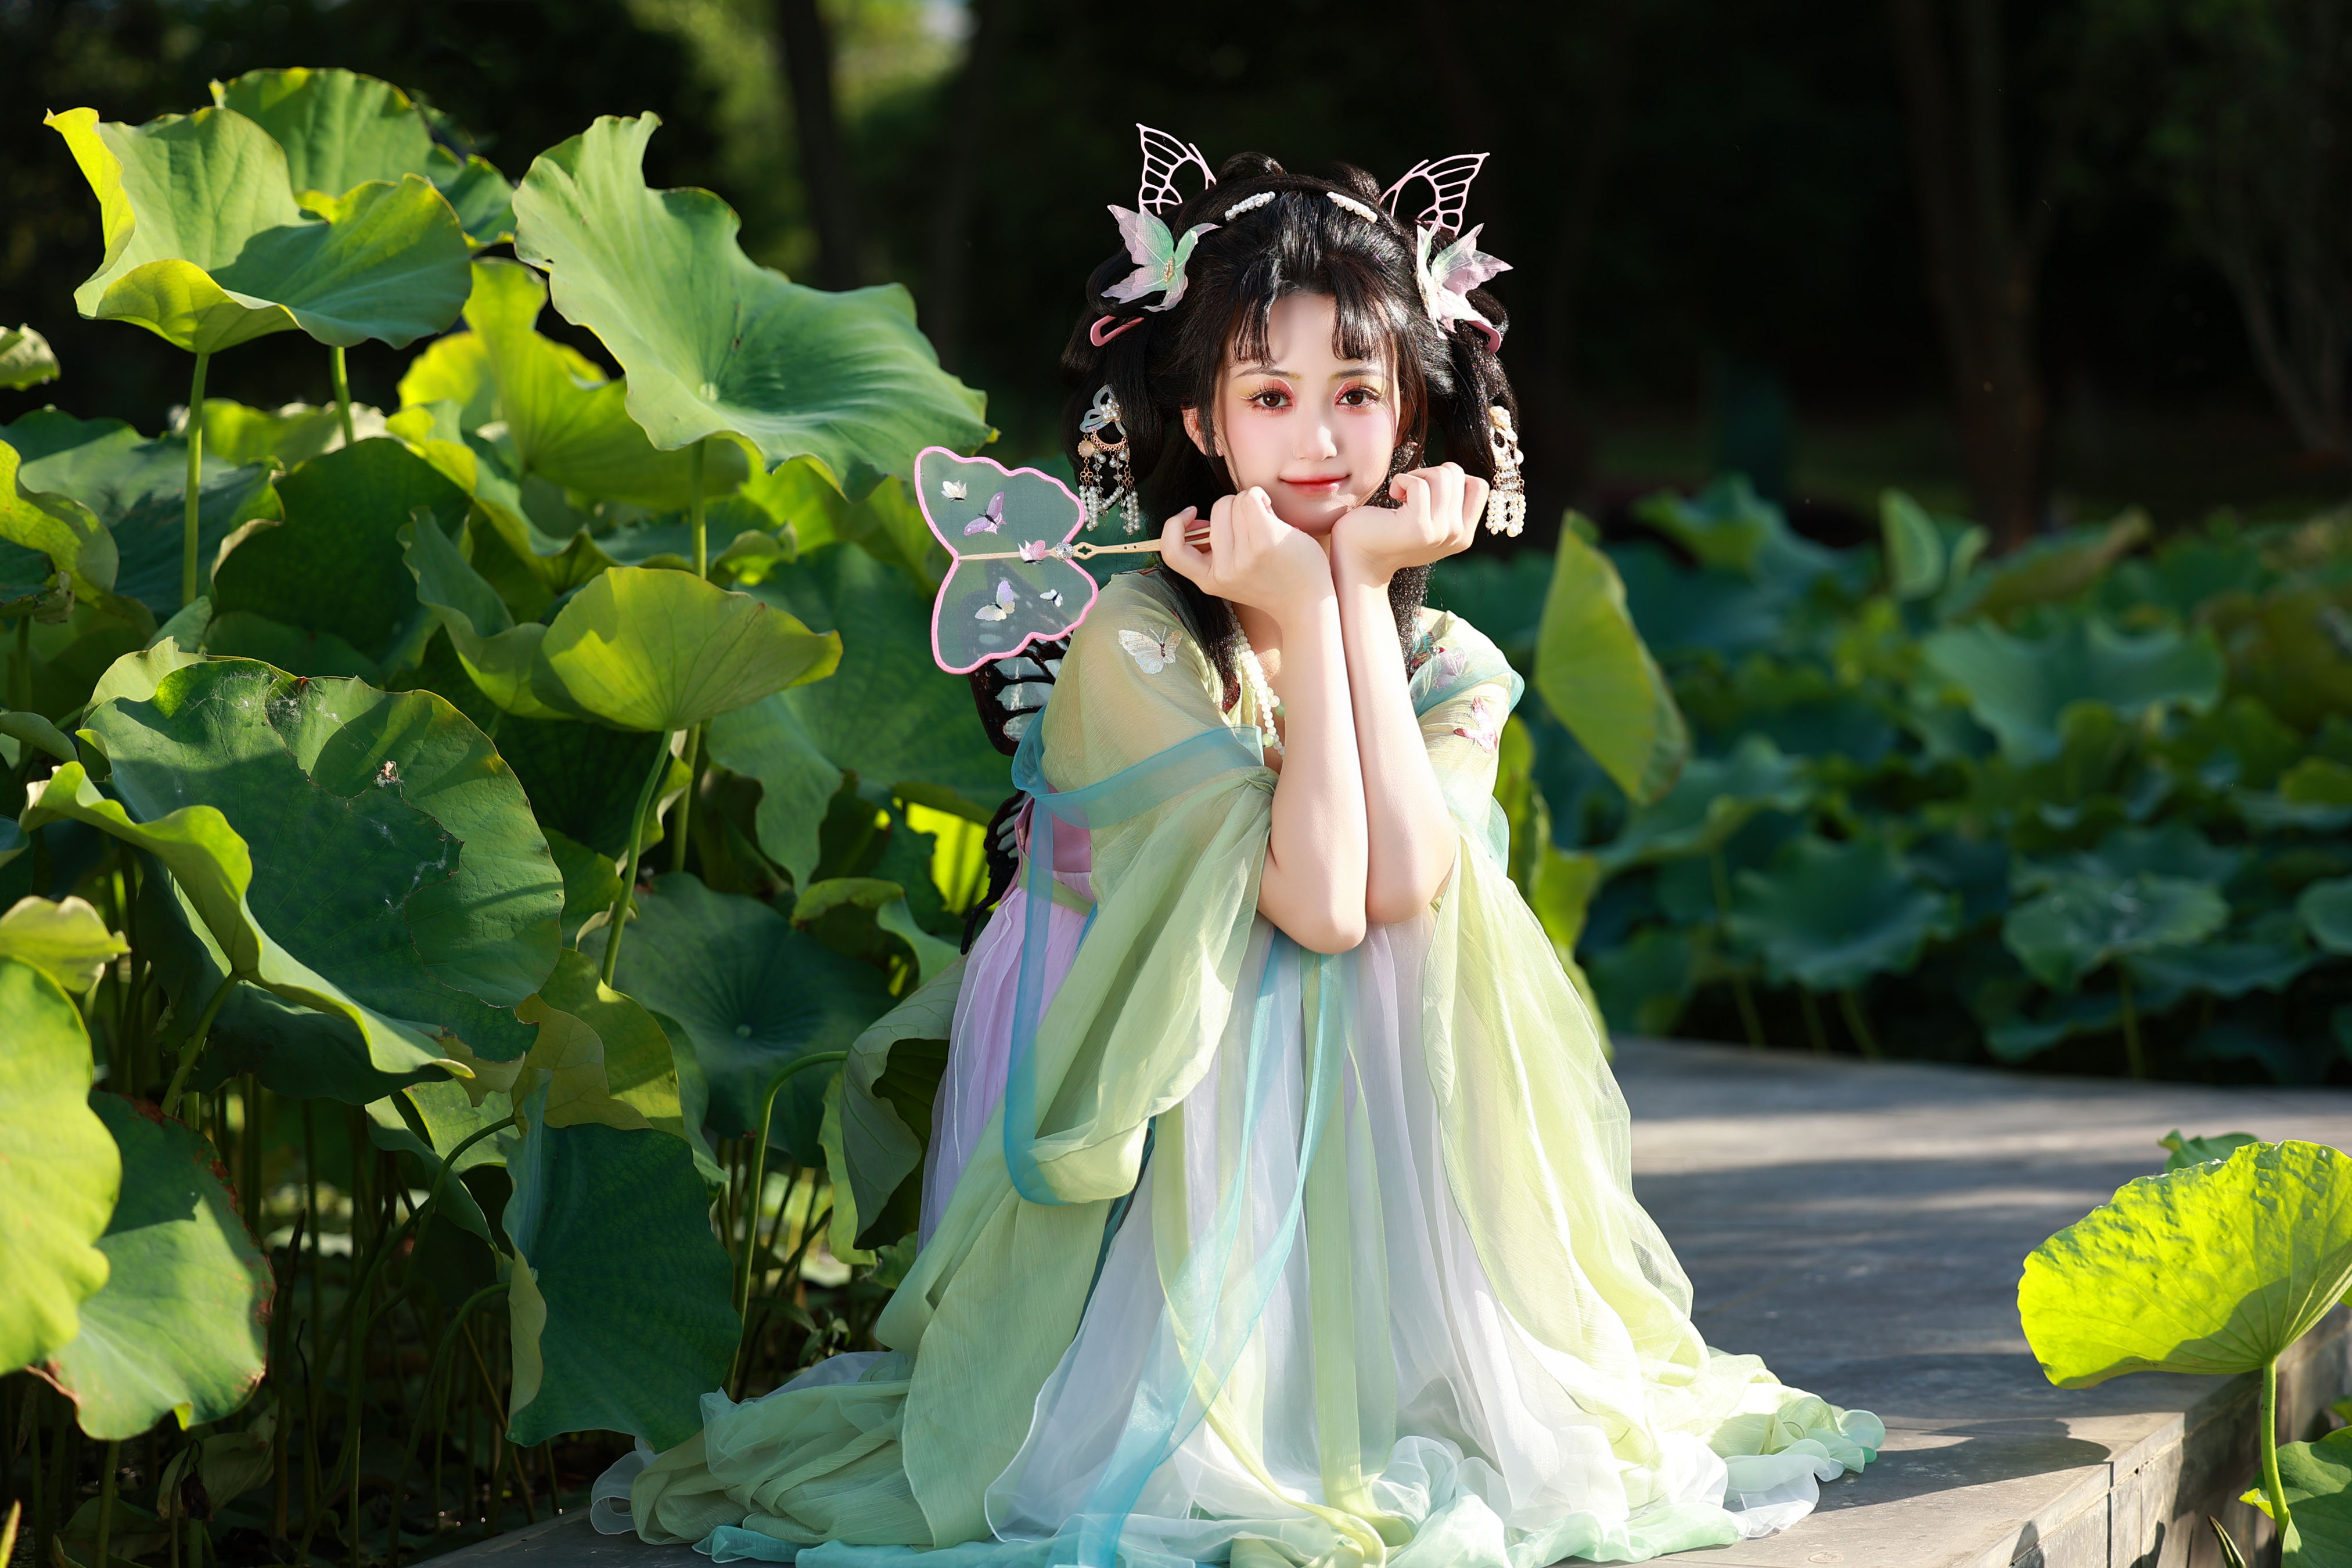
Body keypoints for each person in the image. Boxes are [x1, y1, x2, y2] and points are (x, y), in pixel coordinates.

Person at [599, 131, 1880, 1568]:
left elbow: (1400, 888)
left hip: (1342, 1026)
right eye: (1271, 396)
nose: (1321, 440)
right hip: (1144, 1039)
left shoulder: (1445, 650)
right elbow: (1315, 904)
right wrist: (1313, 590)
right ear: (1205, 423)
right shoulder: (1134, 636)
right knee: (1306, 938)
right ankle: (1210, 1396)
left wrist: (1345, 593)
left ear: (1413, 414)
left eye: (1356, 394)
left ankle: (1383, 1376)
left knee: (1418, 931)